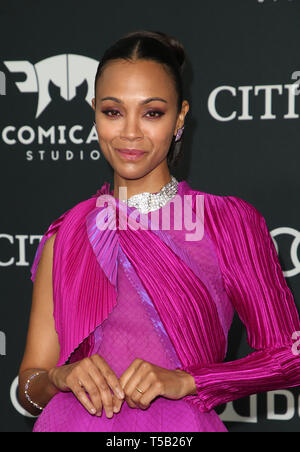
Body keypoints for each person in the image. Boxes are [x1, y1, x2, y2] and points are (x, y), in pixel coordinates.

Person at [18, 30, 300, 433]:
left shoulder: (226, 223)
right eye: (113, 112)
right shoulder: (66, 234)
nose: (130, 132)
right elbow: (29, 386)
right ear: (94, 110)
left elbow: (291, 357)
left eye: (152, 113)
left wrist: (189, 381)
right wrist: (58, 378)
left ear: (180, 117)